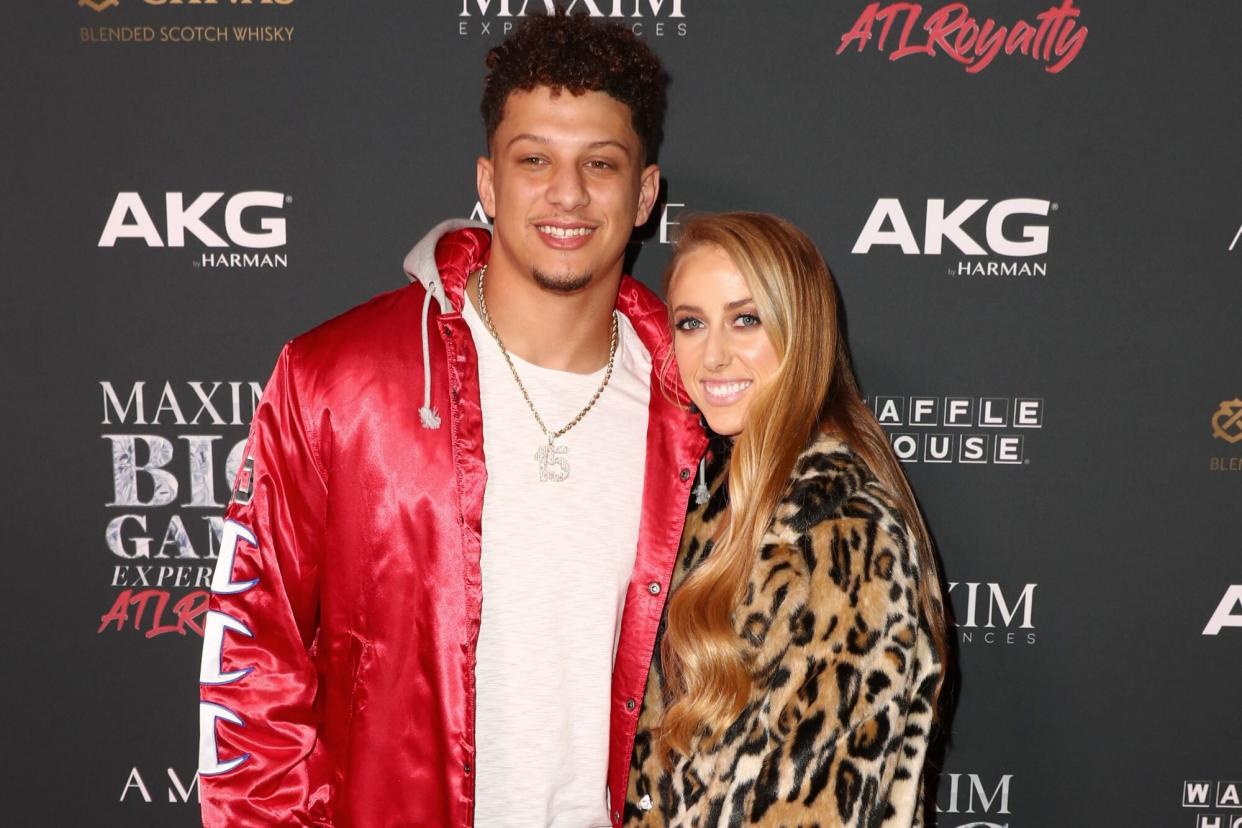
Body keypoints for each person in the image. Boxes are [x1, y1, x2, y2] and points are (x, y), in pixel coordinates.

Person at [197, 13, 708, 827]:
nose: (566, 194)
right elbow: (254, 662)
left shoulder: (700, 405)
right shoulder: (338, 378)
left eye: (600, 164)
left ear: (645, 193)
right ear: (487, 180)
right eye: (533, 159)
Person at [624, 213, 948, 827]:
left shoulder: (841, 533)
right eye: (691, 323)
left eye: (745, 319)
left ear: (802, 330)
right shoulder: (713, 503)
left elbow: (811, 808)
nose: (713, 355)